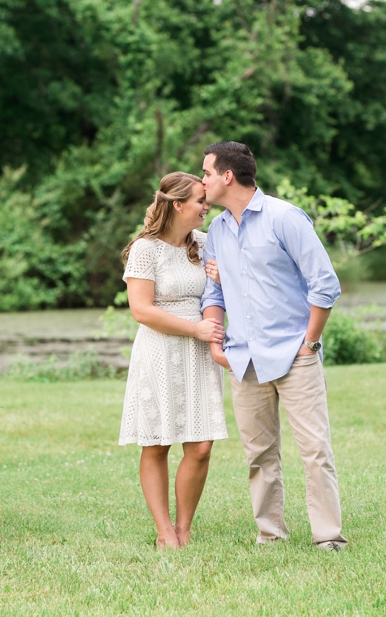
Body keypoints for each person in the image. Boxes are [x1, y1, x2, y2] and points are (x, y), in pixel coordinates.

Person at [199, 141, 348, 551]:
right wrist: (217, 344)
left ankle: (328, 536)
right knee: (258, 455)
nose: (203, 181)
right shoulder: (216, 230)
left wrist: (310, 342)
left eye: (207, 173)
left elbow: (325, 284)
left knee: (314, 449)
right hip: (243, 359)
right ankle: (271, 533)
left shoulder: (285, 218)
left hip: (294, 355)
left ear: (228, 176)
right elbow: (213, 294)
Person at [119, 171, 229, 549]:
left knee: (201, 446)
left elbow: (223, 291)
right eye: (200, 200)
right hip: (160, 350)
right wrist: (194, 329)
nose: (206, 206)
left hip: (199, 354)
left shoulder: (205, 242)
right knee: (157, 442)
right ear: (178, 204)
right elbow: (141, 310)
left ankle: (184, 528)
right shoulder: (145, 249)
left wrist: (223, 276)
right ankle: (164, 531)